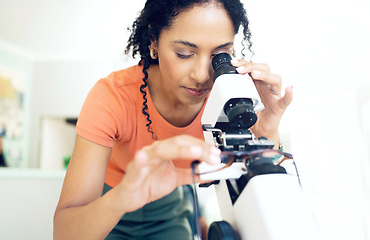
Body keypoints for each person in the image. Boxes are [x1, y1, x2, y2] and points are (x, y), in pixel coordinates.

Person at [53, 0, 293, 239]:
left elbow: (271, 201)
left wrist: (267, 132)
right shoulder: (112, 96)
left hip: (171, 204)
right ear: (154, 42)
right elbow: (64, 232)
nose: (201, 76)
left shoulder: (226, 98)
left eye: (219, 55)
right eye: (184, 54)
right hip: (109, 203)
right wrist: (123, 196)